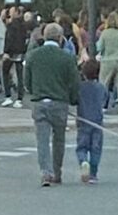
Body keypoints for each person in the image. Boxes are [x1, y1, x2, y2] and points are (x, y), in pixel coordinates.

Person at [24, 22, 80, 187]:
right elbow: (74, 83)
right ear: (61, 38)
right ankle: (57, 171)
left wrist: (34, 92)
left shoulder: (33, 55)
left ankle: (45, 172)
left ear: (44, 36)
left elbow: (27, 82)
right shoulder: (67, 58)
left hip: (40, 102)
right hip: (59, 102)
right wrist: (72, 99)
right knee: (59, 139)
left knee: (42, 139)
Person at [76, 59, 107, 184]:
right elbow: (105, 101)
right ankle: (93, 173)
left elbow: (74, 99)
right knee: (96, 148)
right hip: (97, 122)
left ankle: (83, 161)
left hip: (83, 120)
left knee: (82, 147)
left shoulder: (80, 87)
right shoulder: (101, 87)